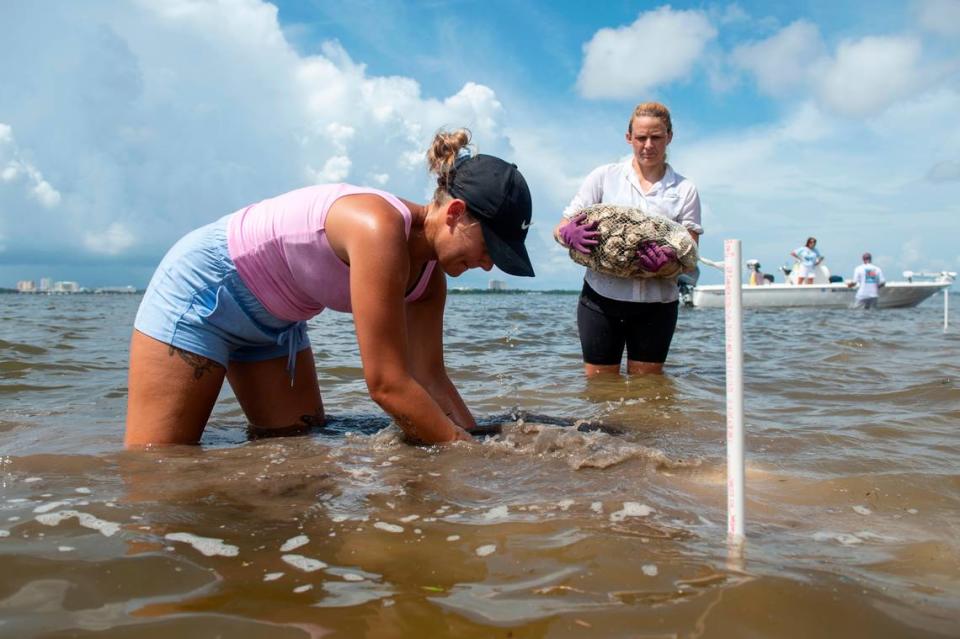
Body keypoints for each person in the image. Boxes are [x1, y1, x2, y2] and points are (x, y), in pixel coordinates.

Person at [125, 129, 534, 446]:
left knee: (291, 449)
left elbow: (429, 377)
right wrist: (466, 457)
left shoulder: (430, 281)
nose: (488, 264)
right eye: (489, 247)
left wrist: (475, 436)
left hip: (277, 326)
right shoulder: (379, 229)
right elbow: (387, 385)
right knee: (161, 471)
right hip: (205, 290)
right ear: (456, 213)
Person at [553, 102, 702, 376]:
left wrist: (670, 261)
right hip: (601, 299)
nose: (648, 145)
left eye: (656, 137)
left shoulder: (685, 189)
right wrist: (567, 234)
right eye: (641, 137)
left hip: (657, 305)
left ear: (669, 137)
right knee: (600, 387)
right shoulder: (604, 177)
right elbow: (561, 226)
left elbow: (690, 253)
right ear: (628, 138)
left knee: (649, 391)